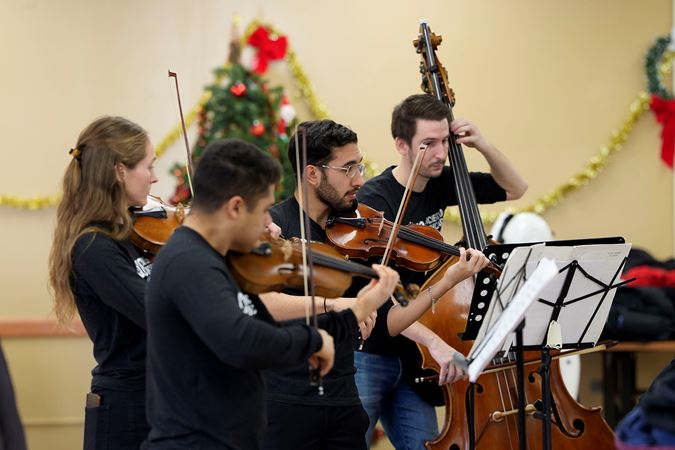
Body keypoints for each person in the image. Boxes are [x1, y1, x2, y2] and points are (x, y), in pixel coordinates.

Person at [142, 138, 399, 449]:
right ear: (235, 207)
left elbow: (265, 323)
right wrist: (316, 341)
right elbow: (243, 340)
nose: (270, 225)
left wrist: (353, 313)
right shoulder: (188, 261)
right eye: (264, 210)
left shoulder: (215, 260)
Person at [261, 120, 489, 450]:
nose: (360, 180)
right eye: (348, 169)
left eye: (360, 165)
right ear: (312, 174)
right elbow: (262, 304)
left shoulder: (355, 234)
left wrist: (446, 281)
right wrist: (335, 306)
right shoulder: (274, 226)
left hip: (343, 398)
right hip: (289, 400)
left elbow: (390, 323)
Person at [355, 93, 528, 448]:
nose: (440, 153)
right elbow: (382, 300)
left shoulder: (442, 180)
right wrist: (436, 343)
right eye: (428, 144)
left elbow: (515, 188)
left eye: (445, 141)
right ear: (401, 145)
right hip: (370, 355)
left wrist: (481, 143)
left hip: (415, 362)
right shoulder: (374, 203)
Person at [48, 116, 158, 450]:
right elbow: (155, 311)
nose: (154, 178)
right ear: (119, 171)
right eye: (148, 166)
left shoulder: (135, 233)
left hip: (155, 398)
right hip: (126, 408)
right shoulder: (94, 247)